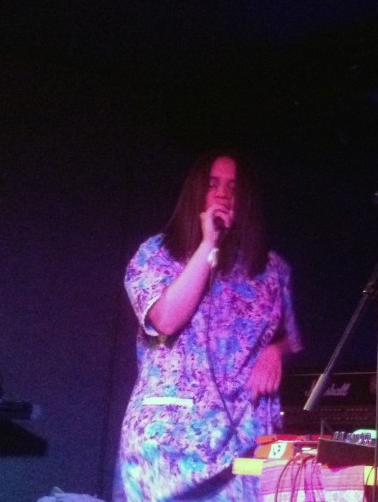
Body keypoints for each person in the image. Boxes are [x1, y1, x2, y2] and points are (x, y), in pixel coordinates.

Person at [117, 150, 302, 502]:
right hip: (170, 445)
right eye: (213, 184)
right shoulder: (156, 254)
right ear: (196, 193)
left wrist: (275, 352)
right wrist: (207, 245)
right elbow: (166, 319)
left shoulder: (272, 270)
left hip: (243, 441)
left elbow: (290, 338)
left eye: (233, 187)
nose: (222, 194)